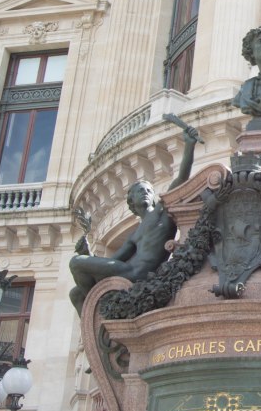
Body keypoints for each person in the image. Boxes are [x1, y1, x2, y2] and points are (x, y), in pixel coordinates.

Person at [68, 117, 201, 314]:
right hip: (126, 271)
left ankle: (100, 310)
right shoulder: (135, 233)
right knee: (75, 293)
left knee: (76, 263)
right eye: (139, 191)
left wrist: (189, 145)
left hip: (139, 273)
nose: (145, 193)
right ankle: (97, 318)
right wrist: (89, 255)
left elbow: (180, 179)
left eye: (148, 190)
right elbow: (116, 259)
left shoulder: (161, 213)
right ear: (131, 202)